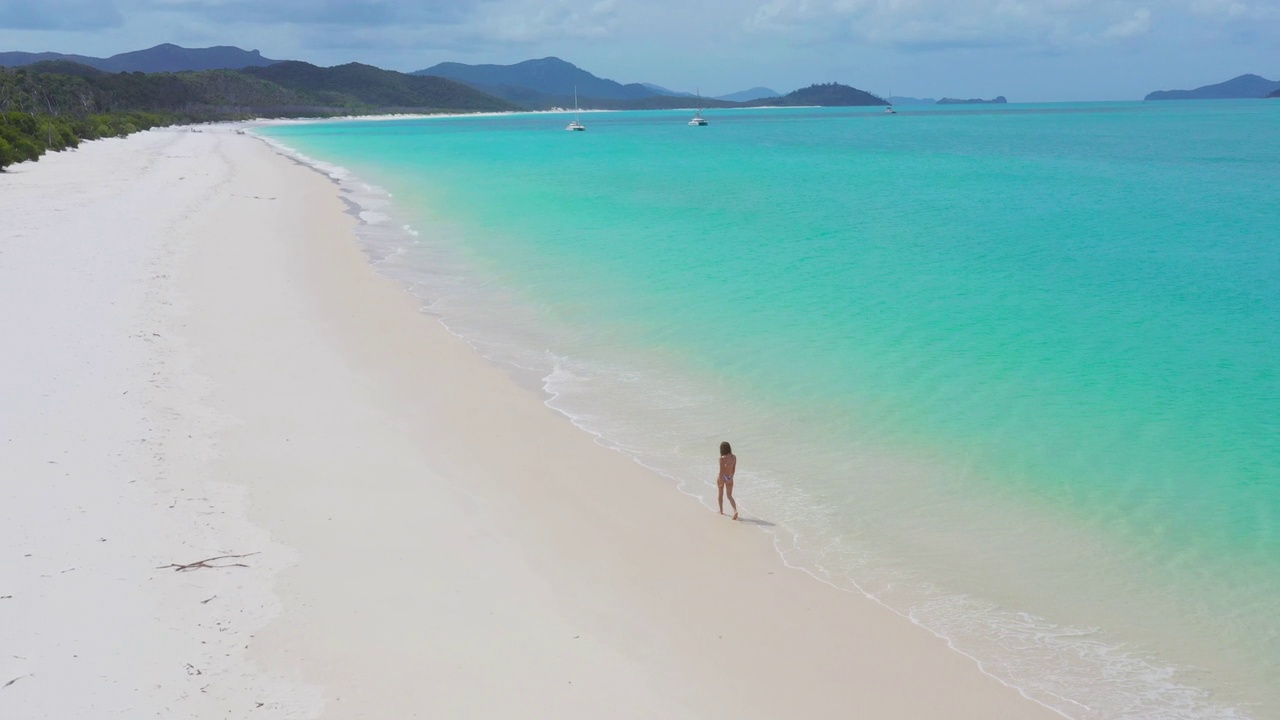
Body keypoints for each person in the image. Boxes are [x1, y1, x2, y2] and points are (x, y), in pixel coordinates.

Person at [717, 441, 738, 520]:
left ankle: (721, 511)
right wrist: (731, 477)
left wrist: (721, 480)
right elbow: (733, 469)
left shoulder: (722, 458)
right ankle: (735, 511)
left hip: (722, 477)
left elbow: (721, 470)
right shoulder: (734, 457)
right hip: (729, 477)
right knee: (729, 496)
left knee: (720, 495)